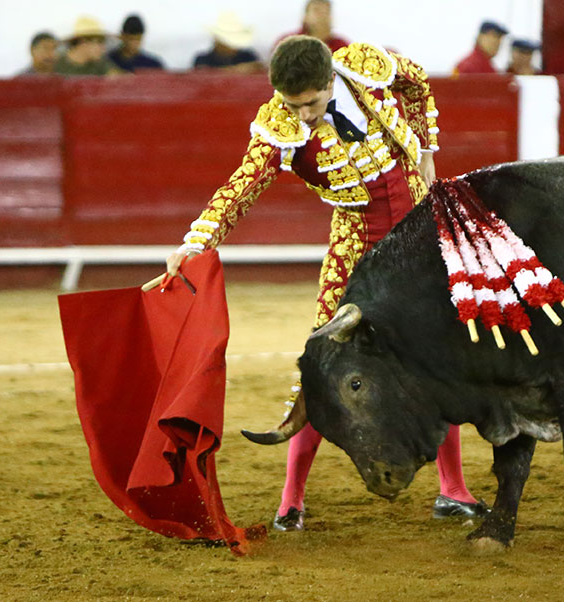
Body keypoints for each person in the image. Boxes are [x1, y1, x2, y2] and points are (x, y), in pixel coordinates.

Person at [165, 35, 488, 531]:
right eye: (292, 105)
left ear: (329, 81)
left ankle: (453, 490)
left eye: (311, 104)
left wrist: (426, 147)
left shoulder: (364, 66)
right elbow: (240, 187)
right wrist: (195, 242)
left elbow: (417, 82)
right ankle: (291, 499)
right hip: (357, 240)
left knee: (437, 357)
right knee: (325, 361)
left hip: (421, 229)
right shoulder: (279, 124)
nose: (303, 115)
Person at [193, 11, 264, 73]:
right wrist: (237, 70)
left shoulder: (248, 56)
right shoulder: (203, 59)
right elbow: (204, 72)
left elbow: (261, 67)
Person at [54, 16, 121, 76]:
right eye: (99, 42)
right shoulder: (56, 65)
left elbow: (119, 79)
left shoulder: (100, 64)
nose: (103, 48)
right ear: (83, 42)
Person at [277, 0, 349, 53]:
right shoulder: (288, 44)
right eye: (317, 10)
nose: (323, 16)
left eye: (327, 11)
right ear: (305, 17)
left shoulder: (342, 48)